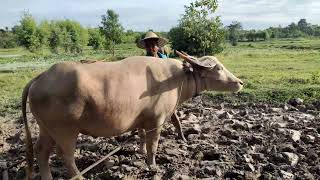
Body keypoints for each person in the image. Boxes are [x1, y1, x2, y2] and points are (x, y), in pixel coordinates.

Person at [137, 31, 186, 142]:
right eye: (148, 45)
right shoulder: (143, 62)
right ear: (145, 47)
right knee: (141, 118)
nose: (151, 48)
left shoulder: (164, 58)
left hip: (164, 91)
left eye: (153, 45)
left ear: (157, 46)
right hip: (148, 93)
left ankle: (180, 133)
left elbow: (173, 70)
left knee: (173, 113)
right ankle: (142, 142)